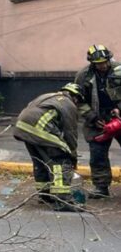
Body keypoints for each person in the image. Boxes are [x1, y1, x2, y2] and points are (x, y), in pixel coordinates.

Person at [13, 83, 83, 211]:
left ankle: (45, 194)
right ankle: (63, 201)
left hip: (23, 128)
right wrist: (72, 156)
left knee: (41, 162)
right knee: (60, 161)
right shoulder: (68, 104)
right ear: (76, 98)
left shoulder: (50, 96)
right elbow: (70, 132)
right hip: (39, 130)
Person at [75, 44, 121, 199]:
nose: (103, 65)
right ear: (92, 63)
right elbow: (78, 100)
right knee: (97, 154)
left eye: (105, 61)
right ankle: (101, 187)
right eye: (99, 63)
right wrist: (92, 117)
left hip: (118, 116)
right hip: (97, 119)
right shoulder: (83, 76)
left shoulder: (119, 70)